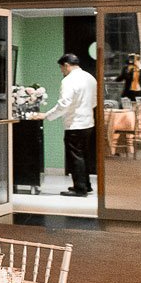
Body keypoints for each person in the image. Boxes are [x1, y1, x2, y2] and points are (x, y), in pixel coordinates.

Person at [36, 53, 98, 197]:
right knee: (84, 155)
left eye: (61, 68)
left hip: (75, 124)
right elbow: (94, 101)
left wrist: (47, 116)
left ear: (66, 65)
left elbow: (63, 104)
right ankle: (86, 185)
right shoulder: (90, 78)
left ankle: (80, 188)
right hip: (88, 122)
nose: (62, 72)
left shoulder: (69, 81)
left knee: (75, 157)